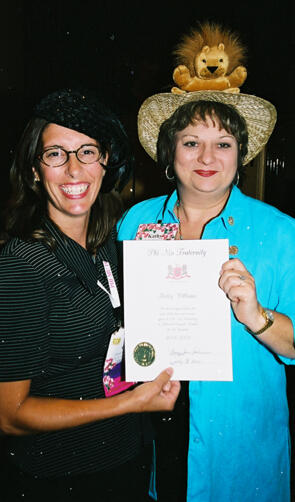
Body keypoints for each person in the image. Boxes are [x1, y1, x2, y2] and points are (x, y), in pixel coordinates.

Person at [0, 89, 180, 502]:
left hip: (127, 457)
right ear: (35, 169)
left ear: (106, 163)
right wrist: (129, 404)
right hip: (62, 477)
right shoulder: (18, 270)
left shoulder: (109, 245)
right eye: (55, 154)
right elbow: (11, 415)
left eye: (87, 151)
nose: (74, 170)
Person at [117, 90, 295, 502]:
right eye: (192, 142)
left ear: (241, 155)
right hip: (157, 427)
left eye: (223, 144)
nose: (207, 158)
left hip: (241, 443)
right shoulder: (136, 222)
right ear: (170, 151)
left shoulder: (281, 232)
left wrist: (256, 316)